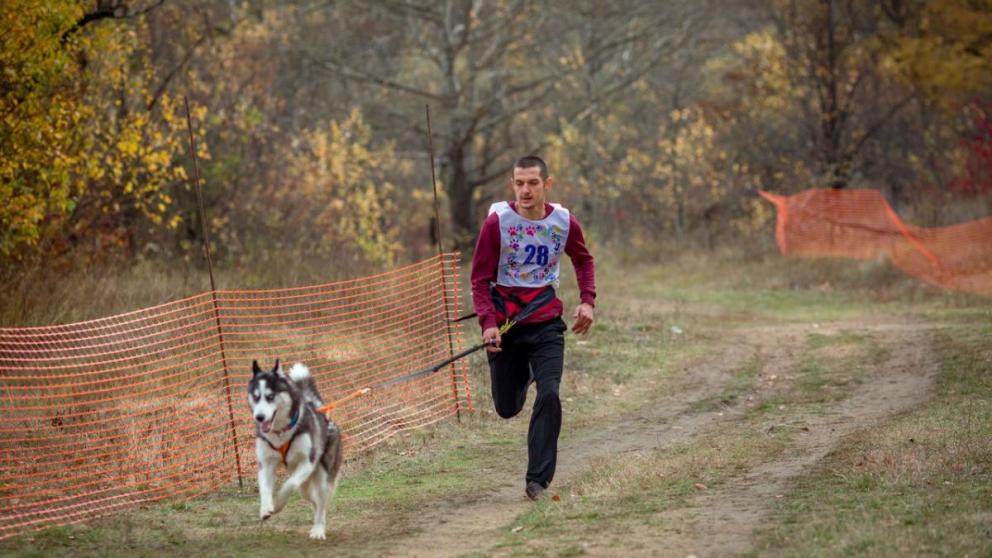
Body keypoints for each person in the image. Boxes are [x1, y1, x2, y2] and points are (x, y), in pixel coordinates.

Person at [470, 155, 596, 501]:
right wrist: (488, 324)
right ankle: (521, 376)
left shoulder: (564, 222)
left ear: (547, 185)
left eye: (533, 183)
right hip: (507, 327)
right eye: (519, 183)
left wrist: (587, 300)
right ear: (513, 184)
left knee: (551, 393)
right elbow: (480, 280)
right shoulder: (498, 222)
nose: (525, 190)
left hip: (546, 324)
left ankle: (537, 480)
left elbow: (583, 259)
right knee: (506, 408)